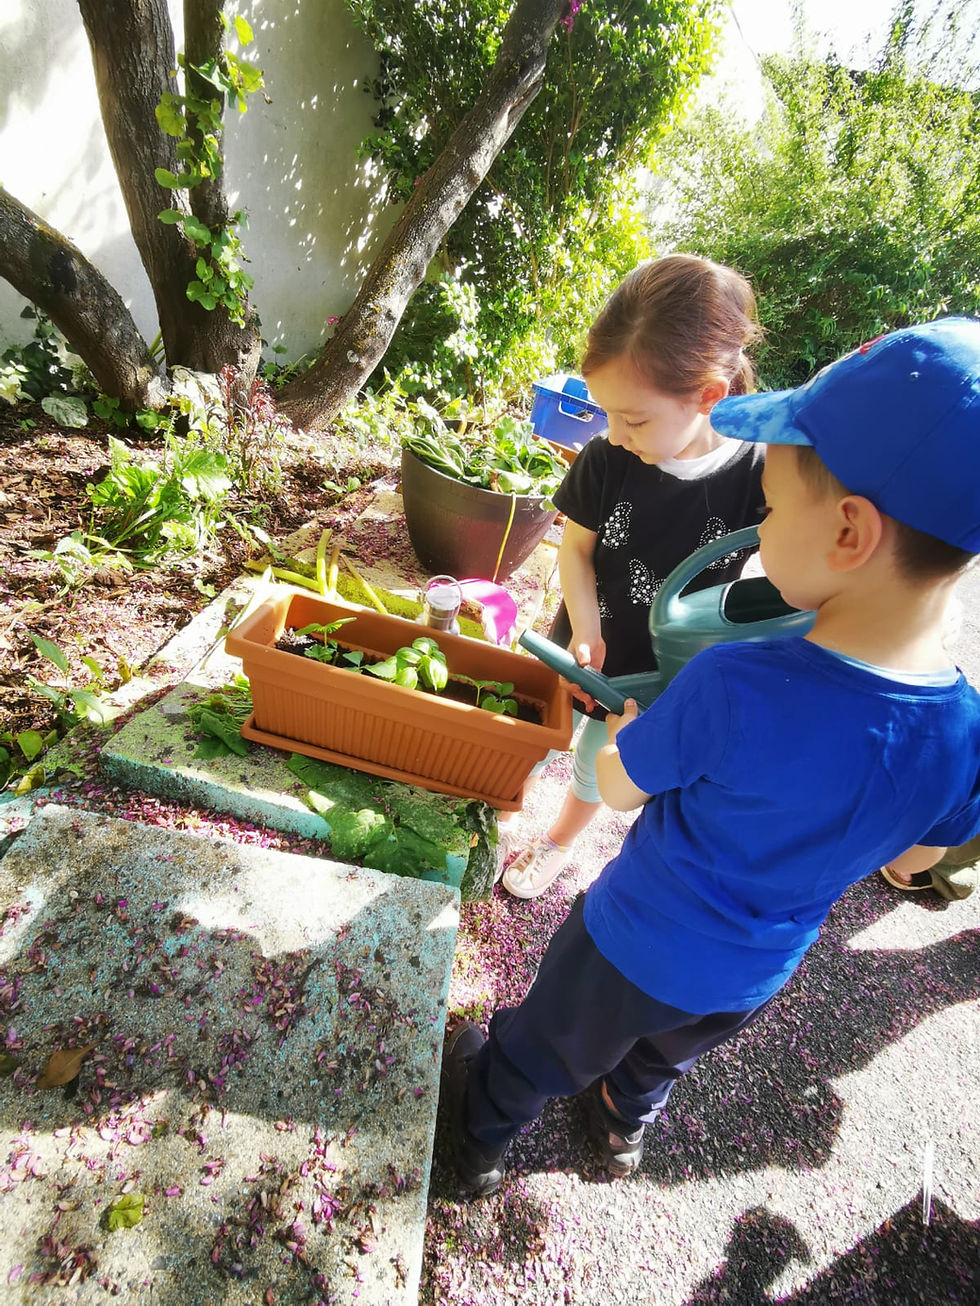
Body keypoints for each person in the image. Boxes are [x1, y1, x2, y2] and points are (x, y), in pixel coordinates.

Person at [444, 317, 980, 1196]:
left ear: (849, 533)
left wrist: (624, 737)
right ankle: (621, 1124)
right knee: (661, 1055)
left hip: (632, 941)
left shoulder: (739, 681)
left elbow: (616, 789)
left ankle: (480, 1136)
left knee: (544, 1041)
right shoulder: (965, 732)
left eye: (769, 508)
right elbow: (917, 860)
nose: (760, 526)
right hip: (753, 973)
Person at [502, 254, 767, 899]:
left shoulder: (762, 474)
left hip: (664, 666)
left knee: (603, 756)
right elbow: (575, 552)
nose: (615, 435)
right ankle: (509, 790)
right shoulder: (606, 457)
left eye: (635, 418)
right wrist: (586, 625)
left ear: (710, 396)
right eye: (605, 414)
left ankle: (560, 839)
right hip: (591, 638)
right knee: (549, 720)